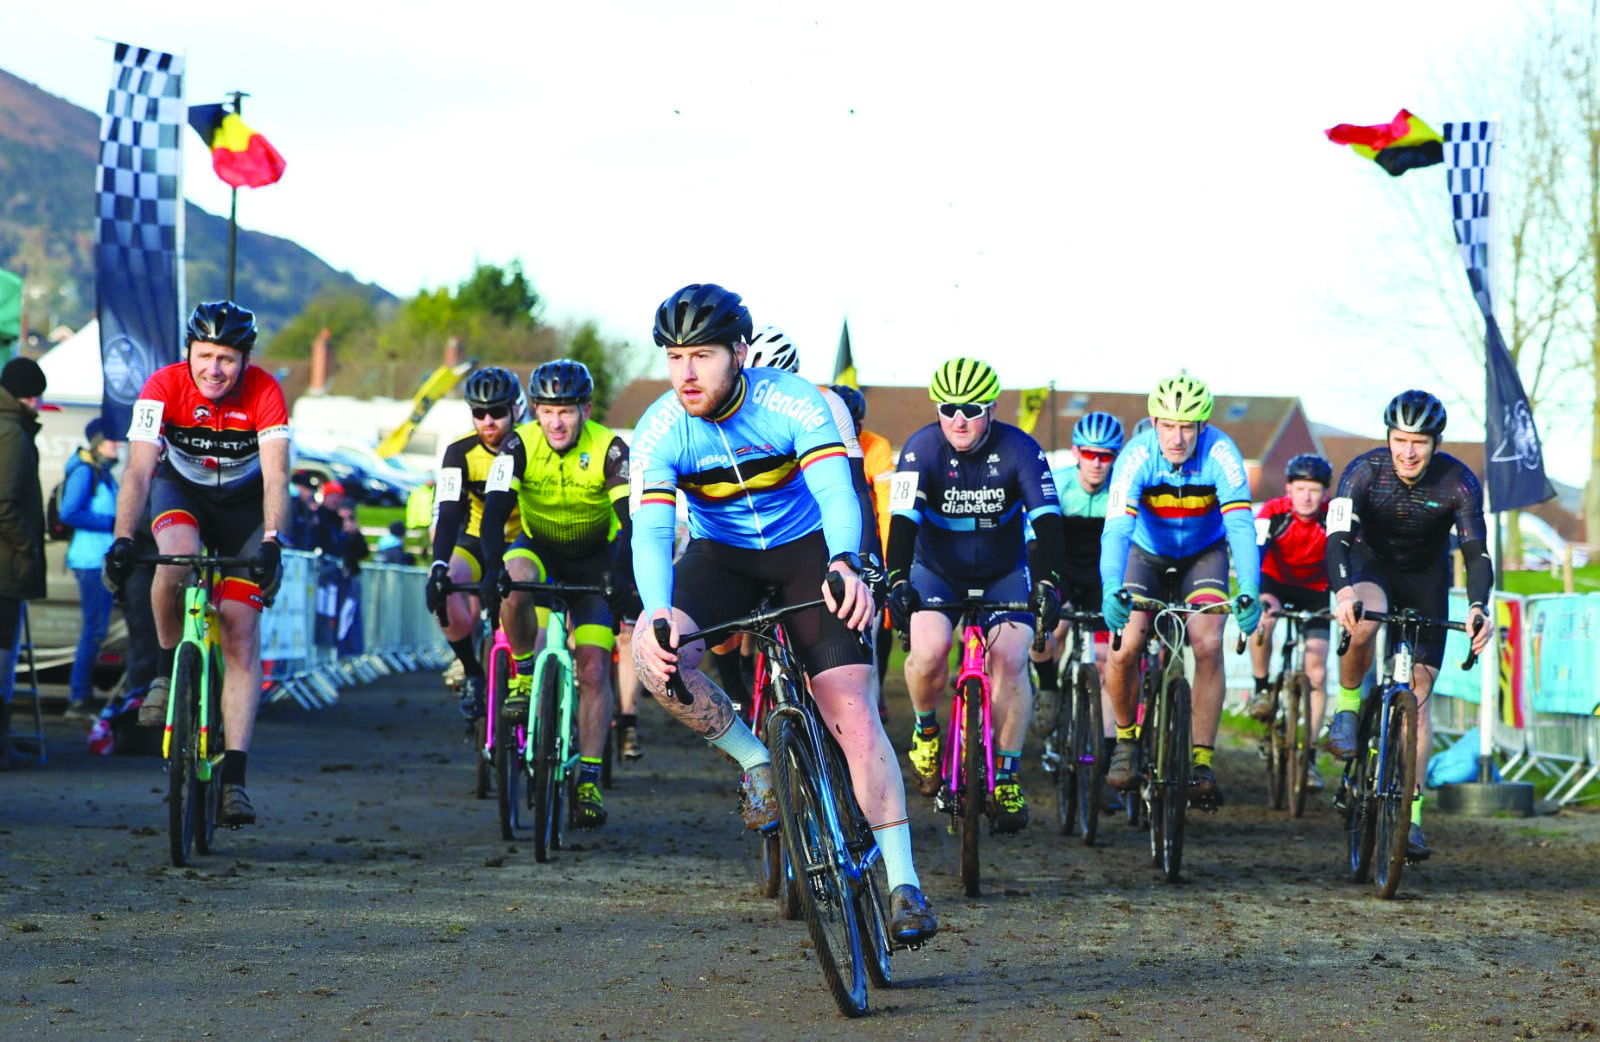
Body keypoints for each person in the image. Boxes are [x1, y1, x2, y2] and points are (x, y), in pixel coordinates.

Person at [630, 283, 936, 944]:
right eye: (675, 356)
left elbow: (835, 489)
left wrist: (846, 561)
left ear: (739, 352)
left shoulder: (792, 402)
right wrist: (658, 613)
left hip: (806, 551)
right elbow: (652, 534)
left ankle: (904, 883)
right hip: (723, 558)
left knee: (851, 708)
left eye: (703, 355)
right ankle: (756, 761)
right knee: (654, 657)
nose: (686, 372)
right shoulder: (660, 428)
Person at [101, 301, 289, 826]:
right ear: (188, 352)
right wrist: (121, 538)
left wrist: (273, 539)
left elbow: (277, 475)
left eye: (227, 358)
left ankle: (235, 779)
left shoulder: (266, 392)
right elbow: (139, 471)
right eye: (204, 355)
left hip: (245, 510)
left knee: (239, 631)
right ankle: (165, 671)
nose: (213, 368)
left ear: (244, 360)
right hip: (180, 490)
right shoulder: (161, 387)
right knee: (174, 561)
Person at [884, 357, 1065, 833]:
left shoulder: (1021, 449)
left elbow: (1047, 523)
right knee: (930, 650)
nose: (958, 419)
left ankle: (1005, 776)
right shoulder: (921, 449)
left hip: (1004, 571)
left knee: (1011, 656)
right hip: (937, 572)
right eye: (947, 408)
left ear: (991, 409)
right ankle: (926, 730)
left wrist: (1049, 581)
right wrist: (898, 580)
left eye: (970, 408)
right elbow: (902, 521)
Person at [1325, 390, 1492, 861]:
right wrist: (1344, 592)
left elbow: (1476, 553)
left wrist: (1479, 606)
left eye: (1419, 441)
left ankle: (1412, 818)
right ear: (1389, 438)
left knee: (1418, 696)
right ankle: (1348, 706)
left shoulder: (1459, 482)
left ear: (1436, 443)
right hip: (1370, 565)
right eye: (1400, 439)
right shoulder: (1362, 471)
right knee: (1363, 620)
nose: (1408, 452)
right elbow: (1336, 538)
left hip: (1426, 578)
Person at [478, 359, 632, 828]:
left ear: (585, 410)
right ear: (536, 412)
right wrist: (489, 571)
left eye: (566, 410)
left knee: (592, 667)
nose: (556, 421)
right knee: (513, 575)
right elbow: (495, 511)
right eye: (547, 411)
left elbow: (629, 523)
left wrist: (623, 579)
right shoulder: (517, 444)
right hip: (540, 550)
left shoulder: (611, 448)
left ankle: (587, 779)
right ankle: (524, 676)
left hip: (595, 560)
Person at [1100, 372, 1261, 809]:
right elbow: (1115, 529)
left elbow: (1241, 527)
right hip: (1145, 554)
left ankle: (1202, 761)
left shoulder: (1222, 455)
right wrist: (1112, 586)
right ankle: (1127, 741)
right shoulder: (1135, 457)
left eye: (1187, 427)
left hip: (1202, 556)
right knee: (1125, 644)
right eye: (1168, 426)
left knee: (1208, 643)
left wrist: (1249, 588)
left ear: (1202, 427)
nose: (1177, 437)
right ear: (1154, 422)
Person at [1028, 411, 1125, 809]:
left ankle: (1102, 760)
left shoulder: (1122, 490)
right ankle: (1049, 688)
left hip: (1103, 573)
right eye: (1090, 454)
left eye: (1106, 455)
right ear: (1076, 453)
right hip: (1063, 568)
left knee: (1106, 663)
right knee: (1049, 628)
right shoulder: (1059, 484)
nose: (1098, 463)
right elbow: (1035, 542)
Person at [423, 367, 525, 722]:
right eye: (478, 413)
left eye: (497, 412)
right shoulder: (459, 452)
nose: (488, 421)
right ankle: (471, 670)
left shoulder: (530, 445)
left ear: (516, 409)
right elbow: (449, 513)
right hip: (477, 539)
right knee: (445, 585)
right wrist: (438, 567)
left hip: (524, 541)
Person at [1244, 452, 1335, 792]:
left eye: (1314, 489)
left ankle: (1308, 757)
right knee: (1263, 620)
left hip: (1316, 591)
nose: (1307, 497)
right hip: (1275, 582)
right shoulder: (1274, 511)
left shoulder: (1331, 517)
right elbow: (1257, 549)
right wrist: (1257, 595)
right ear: (1288, 489)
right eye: (1300, 489)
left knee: (1317, 670)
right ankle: (1262, 688)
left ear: (1325, 493)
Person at [834, 384, 898, 697]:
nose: (849, 430)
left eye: (856, 425)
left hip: (867, 532)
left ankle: (878, 689)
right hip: (825, 531)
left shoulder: (877, 446)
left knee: (880, 617)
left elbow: (886, 511)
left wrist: (889, 562)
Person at [0, 357, 48, 770]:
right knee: (2, 659)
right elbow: (3, 503)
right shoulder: (13, 434)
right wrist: (27, 546)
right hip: (5, 571)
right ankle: (2, 744)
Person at [61, 417, 122, 718]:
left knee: (96, 629)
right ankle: (79, 697)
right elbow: (69, 512)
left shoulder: (102, 473)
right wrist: (113, 524)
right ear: (98, 443)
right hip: (89, 562)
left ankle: (82, 694)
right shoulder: (86, 472)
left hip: (98, 560)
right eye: (111, 439)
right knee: (94, 629)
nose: (117, 444)